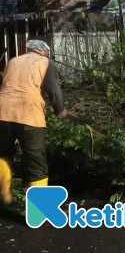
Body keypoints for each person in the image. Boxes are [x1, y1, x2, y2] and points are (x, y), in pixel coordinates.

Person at [0, 36, 73, 205]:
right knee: (35, 158)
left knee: (3, 153)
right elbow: (54, 90)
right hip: (28, 113)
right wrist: (60, 110)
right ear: (44, 50)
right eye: (49, 51)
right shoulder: (46, 63)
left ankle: (4, 194)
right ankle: (39, 206)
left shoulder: (13, 61)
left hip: (2, 112)